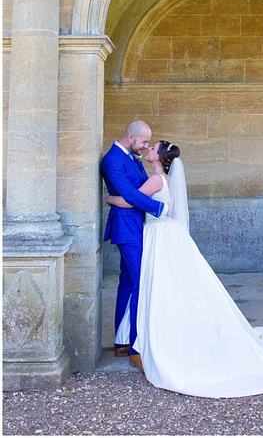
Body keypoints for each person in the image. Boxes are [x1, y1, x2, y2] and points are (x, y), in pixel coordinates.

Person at [106, 140, 263, 398]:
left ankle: (155, 337)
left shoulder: (155, 181)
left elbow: (131, 201)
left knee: (158, 285)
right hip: (166, 234)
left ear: (159, 158)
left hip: (159, 236)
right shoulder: (166, 179)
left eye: (153, 149)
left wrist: (109, 198)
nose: (148, 149)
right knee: (167, 284)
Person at [101, 120, 166, 372]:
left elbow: (137, 191)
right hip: (127, 229)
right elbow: (130, 194)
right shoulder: (113, 160)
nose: (146, 146)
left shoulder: (132, 156)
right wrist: (159, 208)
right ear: (130, 137)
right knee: (140, 283)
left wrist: (111, 198)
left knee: (128, 281)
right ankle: (137, 349)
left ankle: (122, 342)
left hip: (138, 226)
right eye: (144, 142)